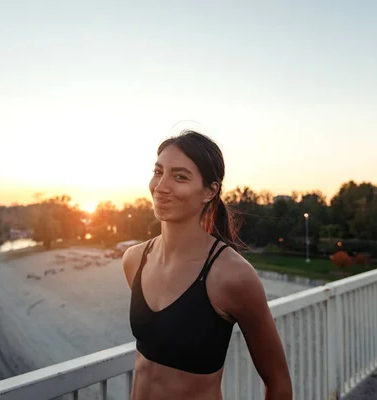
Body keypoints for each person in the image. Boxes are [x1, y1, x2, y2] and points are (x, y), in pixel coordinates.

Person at [122, 131, 293, 400]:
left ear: (209, 191)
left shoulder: (231, 276)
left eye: (180, 177)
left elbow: (279, 382)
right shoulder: (134, 260)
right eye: (158, 172)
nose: (161, 186)